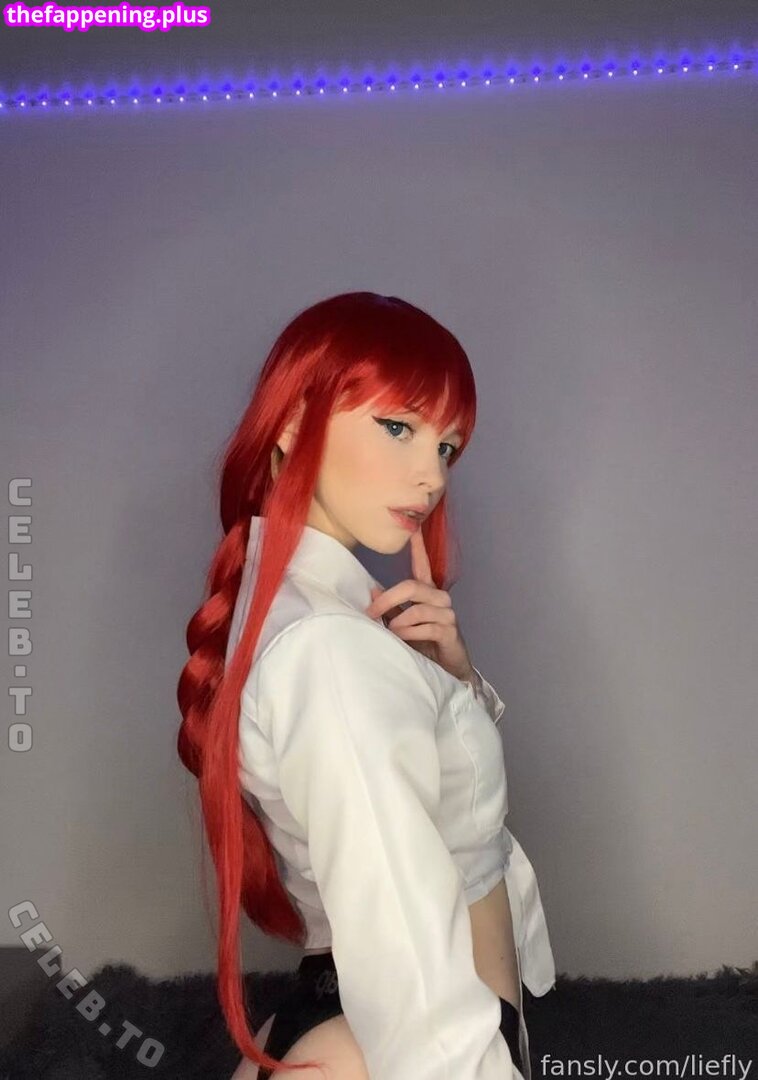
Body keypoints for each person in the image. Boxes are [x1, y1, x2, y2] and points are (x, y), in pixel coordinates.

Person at [176, 291, 556, 1080]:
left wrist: (451, 679)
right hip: (417, 1038)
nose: (432, 475)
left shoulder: (316, 615)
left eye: (447, 446)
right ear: (292, 423)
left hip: (362, 1021)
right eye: (398, 428)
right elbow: (399, 922)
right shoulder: (329, 648)